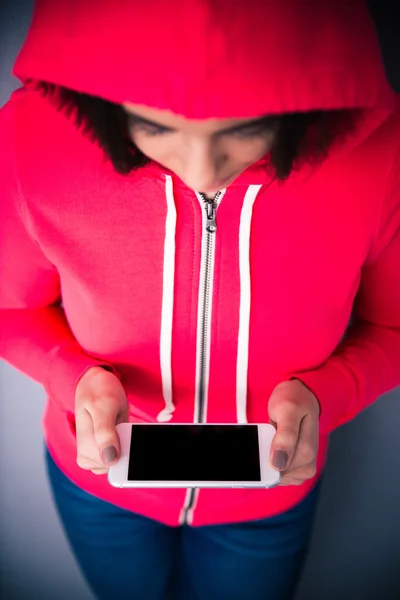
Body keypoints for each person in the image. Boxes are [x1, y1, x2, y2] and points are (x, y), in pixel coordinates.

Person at [1, 0, 399, 599]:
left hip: (266, 498)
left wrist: (331, 391)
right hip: (100, 491)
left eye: (244, 129)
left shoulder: (383, 160)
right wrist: (72, 377)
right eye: (156, 127)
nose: (202, 171)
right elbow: (9, 310)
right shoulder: (30, 142)